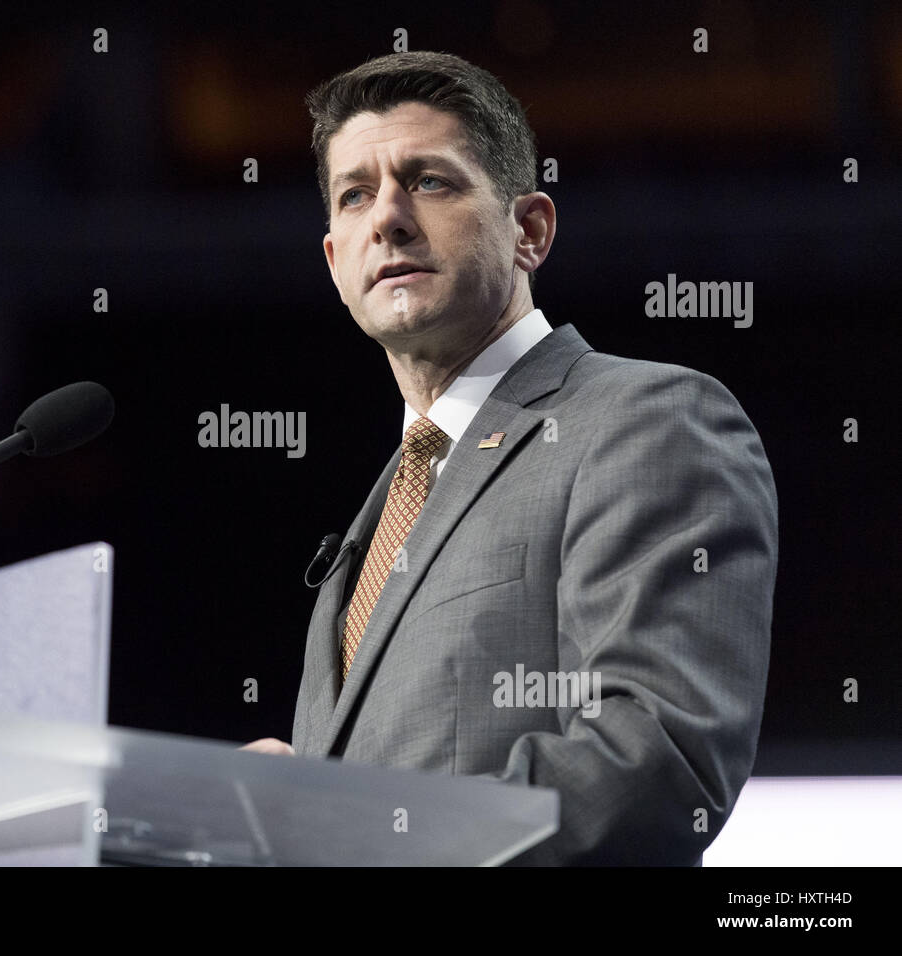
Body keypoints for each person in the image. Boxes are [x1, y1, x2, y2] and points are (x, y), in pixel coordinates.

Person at [242, 51, 778, 866]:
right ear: (334, 262)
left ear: (528, 230)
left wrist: (349, 828)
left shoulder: (646, 420)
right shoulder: (387, 504)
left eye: (428, 181)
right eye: (355, 194)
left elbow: (656, 762)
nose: (386, 217)